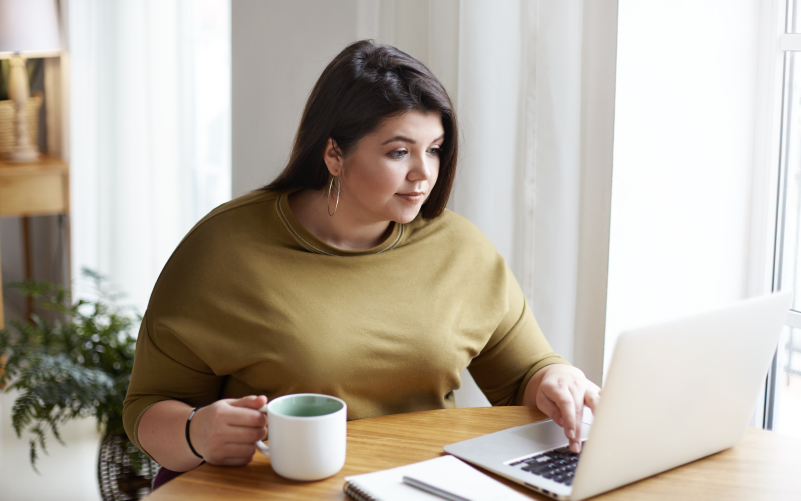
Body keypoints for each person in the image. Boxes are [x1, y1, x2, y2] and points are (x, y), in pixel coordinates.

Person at [122, 40, 600, 487]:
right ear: (334, 153)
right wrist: (194, 432)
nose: (424, 173)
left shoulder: (458, 248)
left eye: (434, 149)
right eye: (399, 152)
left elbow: (525, 377)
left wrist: (557, 379)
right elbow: (145, 408)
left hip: (424, 488)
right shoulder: (223, 249)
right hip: (278, 490)